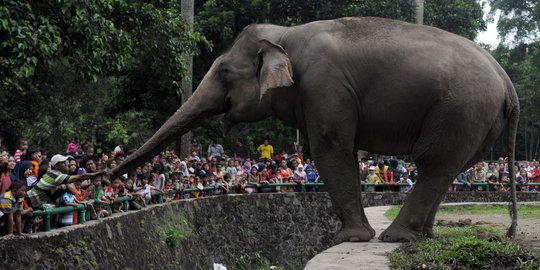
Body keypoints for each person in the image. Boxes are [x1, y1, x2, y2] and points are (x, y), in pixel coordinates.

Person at [26, 154, 104, 209]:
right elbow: (80, 177)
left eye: (66, 161)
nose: (67, 163)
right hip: (29, 200)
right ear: (56, 166)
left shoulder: (52, 173)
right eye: (63, 162)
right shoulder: (57, 176)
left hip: (33, 200)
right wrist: (98, 173)